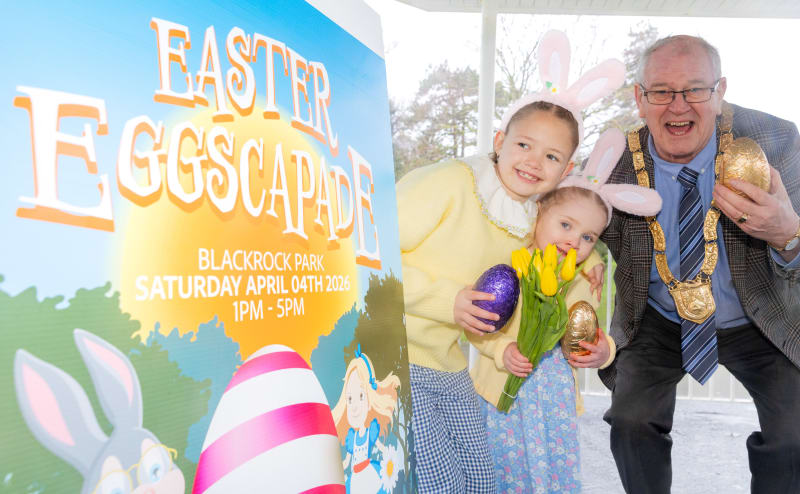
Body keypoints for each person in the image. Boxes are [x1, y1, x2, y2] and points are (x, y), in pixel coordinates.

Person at [396, 30, 624, 493]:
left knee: (483, 479)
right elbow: (366, 256)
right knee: (441, 482)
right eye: (524, 145)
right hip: (397, 355)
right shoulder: (450, 182)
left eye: (552, 155)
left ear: (565, 170)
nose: (534, 161)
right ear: (500, 139)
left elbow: (532, 299)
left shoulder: (529, 225)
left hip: (448, 362)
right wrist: (449, 301)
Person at [599, 34, 800, 494]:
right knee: (630, 422)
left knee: (794, 437)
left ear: (720, 91)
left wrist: (788, 233)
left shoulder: (775, 140)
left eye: (694, 89)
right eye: (662, 91)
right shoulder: (614, 162)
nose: (677, 105)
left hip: (757, 315)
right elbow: (574, 226)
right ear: (639, 97)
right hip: (658, 317)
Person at [469, 129, 663, 493]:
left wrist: (605, 352)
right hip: (502, 396)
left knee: (552, 476)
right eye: (566, 225)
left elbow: (586, 327)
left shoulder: (578, 280)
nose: (575, 240)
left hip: (553, 402)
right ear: (539, 213)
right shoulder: (509, 262)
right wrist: (502, 351)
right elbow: (479, 327)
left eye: (589, 236)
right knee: (502, 474)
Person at [332, 344, 401, 494]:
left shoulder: (371, 431)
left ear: (370, 401)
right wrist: (341, 465)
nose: (355, 406)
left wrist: (388, 456)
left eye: (361, 396)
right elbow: (347, 460)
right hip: (356, 477)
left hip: (369, 473)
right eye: (350, 399)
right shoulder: (352, 437)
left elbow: (380, 447)